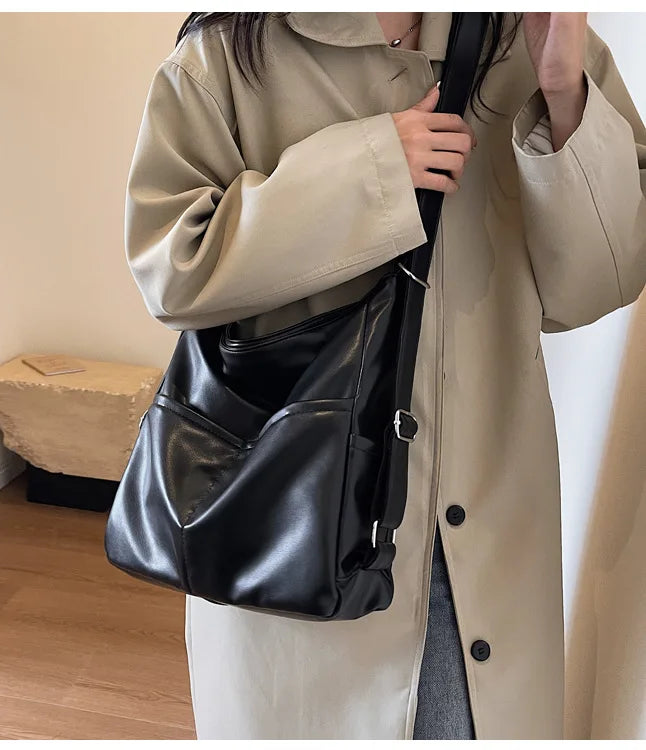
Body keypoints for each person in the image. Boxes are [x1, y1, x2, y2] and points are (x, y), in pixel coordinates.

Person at [122, 12, 646, 740]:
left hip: (483, 548)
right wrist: (372, 172)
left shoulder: (533, 42)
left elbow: (602, 284)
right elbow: (174, 269)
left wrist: (562, 90)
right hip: (301, 540)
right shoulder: (226, 57)